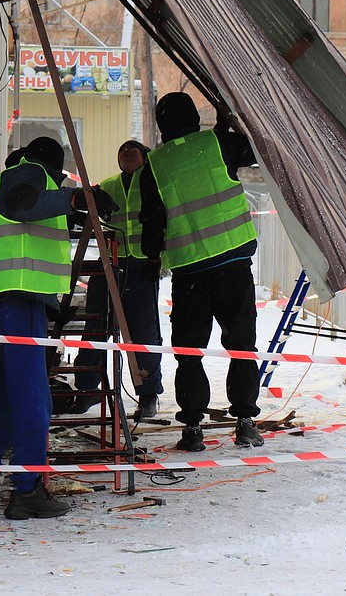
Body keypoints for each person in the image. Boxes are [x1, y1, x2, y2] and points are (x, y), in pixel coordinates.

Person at [0, 136, 117, 519]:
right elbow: (24, 204)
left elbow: (28, 216)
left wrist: (77, 209)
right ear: (52, 166)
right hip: (17, 300)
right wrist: (76, 199)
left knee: (4, 405)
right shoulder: (30, 174)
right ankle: (26, 491)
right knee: (33, 401)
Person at [139, 92, 263, 452]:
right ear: (195, 116)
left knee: (189, 351)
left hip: (189, 271)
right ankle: (244, 422)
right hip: (233, 263)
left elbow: (152, 222)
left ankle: (192, 428)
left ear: (162, 126)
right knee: (241, 345)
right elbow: (257, 149)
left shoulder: (155, 164)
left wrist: (150, 258)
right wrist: (229, 122)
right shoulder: (217, 143)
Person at [69, 139, 164, 419]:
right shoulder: (108, 185)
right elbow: (82, 208)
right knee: (95, 328)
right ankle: (86, 390)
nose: (126, 155)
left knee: (143, 334)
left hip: (141, 267)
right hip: (108, 265)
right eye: (122, 152)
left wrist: (157, 258)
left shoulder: (155, 182)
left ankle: (147, 395)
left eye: (132, 152)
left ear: (145, 158)